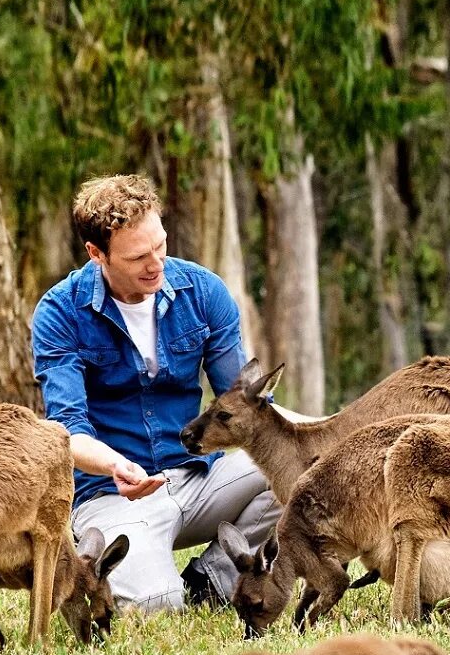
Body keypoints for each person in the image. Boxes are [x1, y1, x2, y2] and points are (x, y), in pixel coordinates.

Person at [32, 174, 280, 615]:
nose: (156, 264)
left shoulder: (202, 292)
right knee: (157, 604)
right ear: (96, 254)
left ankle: (215, 579)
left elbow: (247, 407)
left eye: (160, 246)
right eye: (138, 256)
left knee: (302, 465)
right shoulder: (59, 313)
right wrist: (115, 464)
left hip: (198, 476)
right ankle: (152, 579)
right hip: (112, 492)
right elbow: (67, 433)